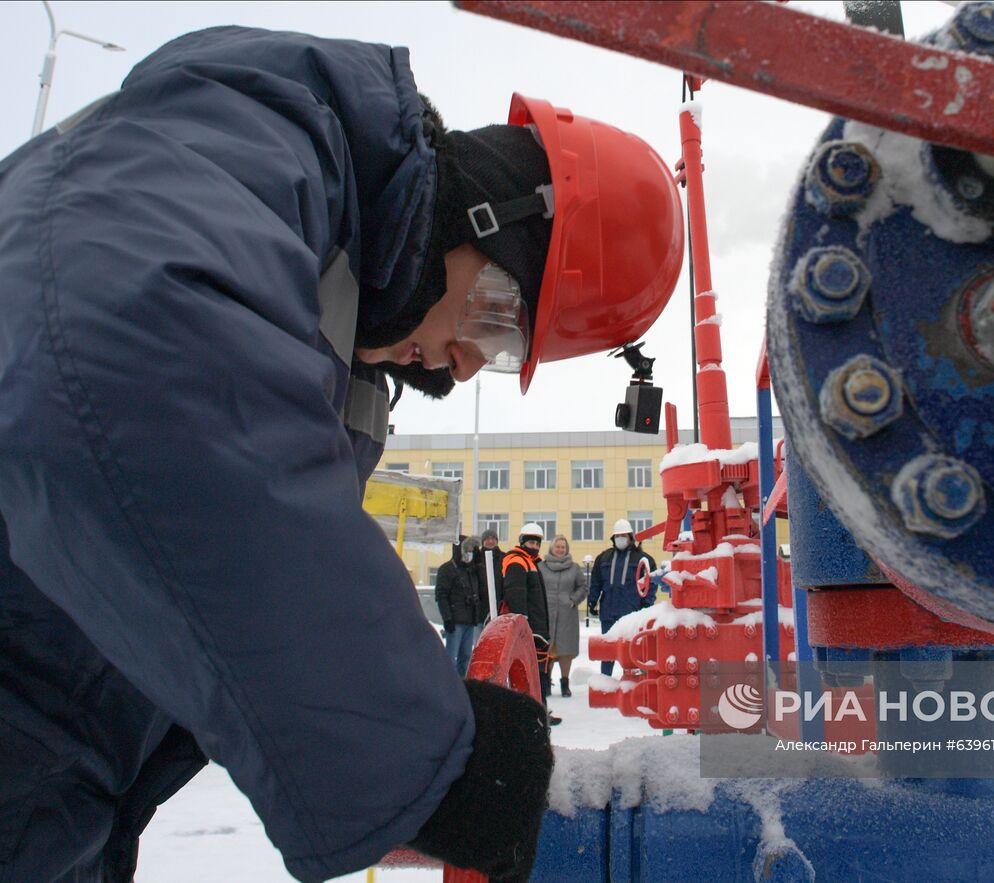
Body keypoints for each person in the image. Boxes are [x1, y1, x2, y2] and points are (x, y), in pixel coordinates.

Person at [0, 25, 682, 882]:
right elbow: (118, 357)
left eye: (505, 356)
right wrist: (426, 754)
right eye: (500, 321)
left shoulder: (326, 322)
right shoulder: (250, 142)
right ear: (491, 211)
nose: (468, 362)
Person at [501, 524, 558, 724]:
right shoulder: (518, 561)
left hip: (537, 628)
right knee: (531, 674)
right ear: (522, 542)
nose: (534, 546)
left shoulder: (531, 562)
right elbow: (516, 593)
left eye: (537, 543)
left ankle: (540, 711)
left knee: (539, 673)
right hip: (530, 629)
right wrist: (523, 624)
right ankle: (534, 714)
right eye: (531, 542)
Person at [587, 519, 659, 677]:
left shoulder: (643, 559)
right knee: (607, 652)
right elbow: (596, 582)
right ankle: (605, 682)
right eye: (617, 535)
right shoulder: (603, 558)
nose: (620, 538)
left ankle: (633, 684)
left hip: (632, 614)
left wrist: (646, 606)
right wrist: (592, 602)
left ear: (630, 537)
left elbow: (651, 585)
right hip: (608, 613)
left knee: (634, 651)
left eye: (623, 535)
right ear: (613, 538)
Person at [538, 536, 588, 697]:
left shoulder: (574, 568)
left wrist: (573, 600)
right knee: (548, 650)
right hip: (547, 614)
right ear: (551, 548)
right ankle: (546, 682)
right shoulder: (541, 567)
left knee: (566, 650)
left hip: (567, 614)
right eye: (557, 546)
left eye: (563, 547)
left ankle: (565, 683)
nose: (560, 549)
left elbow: (583, 586)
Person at [435, 535, 486, 677]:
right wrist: (447, 618)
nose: (469, 554)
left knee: (465, 658)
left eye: (472, 550)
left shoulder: (471, 570)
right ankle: (447, 686)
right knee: (450, 659)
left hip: (470, 621)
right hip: (455, 621)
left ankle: (462, 688)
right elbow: (441, 595)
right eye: (467, 549)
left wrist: (479, 561)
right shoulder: (447, 569)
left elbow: (483, 585)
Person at [476, 528, 506, 625]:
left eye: (493, 539)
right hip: (480, 608)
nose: (490, 541)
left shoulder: (504, 557)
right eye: (487, 539)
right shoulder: (477, 558)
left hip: (500, 606)